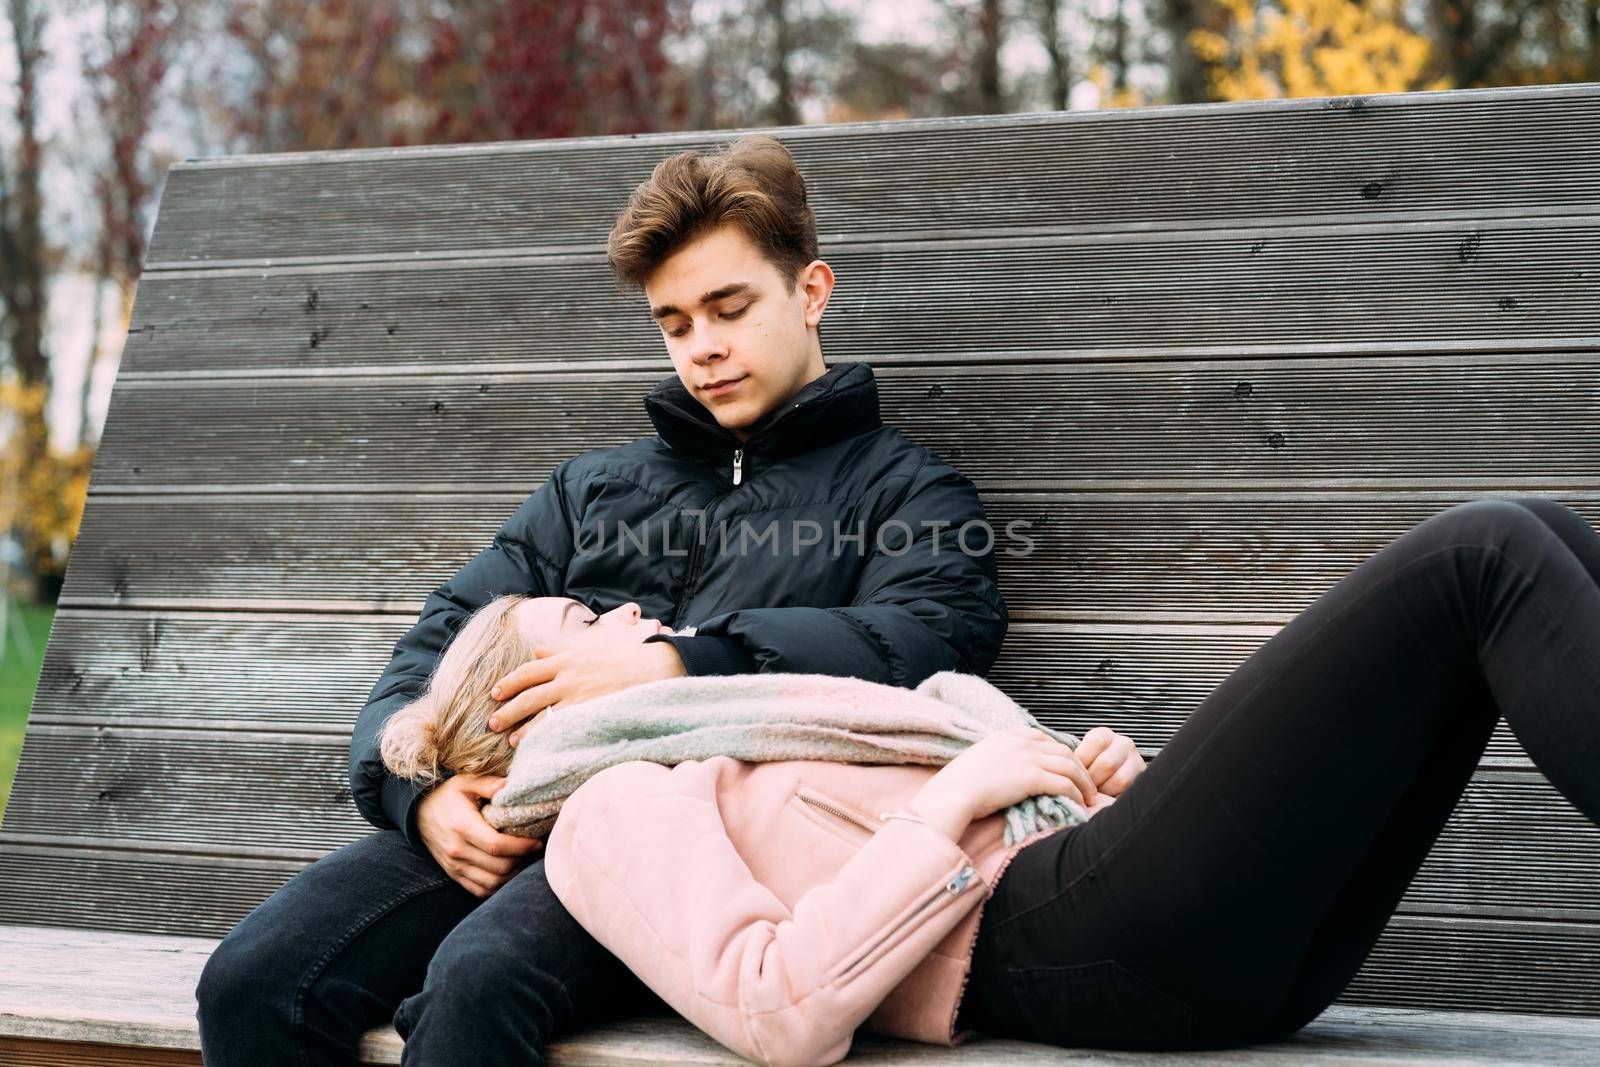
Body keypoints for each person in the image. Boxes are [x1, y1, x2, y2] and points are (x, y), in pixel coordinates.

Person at [194, 134, 1012, 1065]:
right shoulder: (590, 491)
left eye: (728, 308)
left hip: (695, 848)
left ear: (811, 291)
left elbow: (926, 640)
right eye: (675, 322)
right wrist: (414, 796)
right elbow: (435, 645)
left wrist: (675, 663)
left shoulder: (909, 494)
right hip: (510, 816)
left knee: (475, 987)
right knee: (254, 983)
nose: (703, 348)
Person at [538, 495, 1600, 1064]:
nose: (628, 616)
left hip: (1124, 919)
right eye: (582, 621)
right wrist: (948, 804)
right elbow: (778, 1006)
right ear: (514, 696)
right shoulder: (607, 808)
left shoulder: (738, 722)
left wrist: (1091, 786)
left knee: (1544, 531)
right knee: (1480, 557)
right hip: (1044, 941)